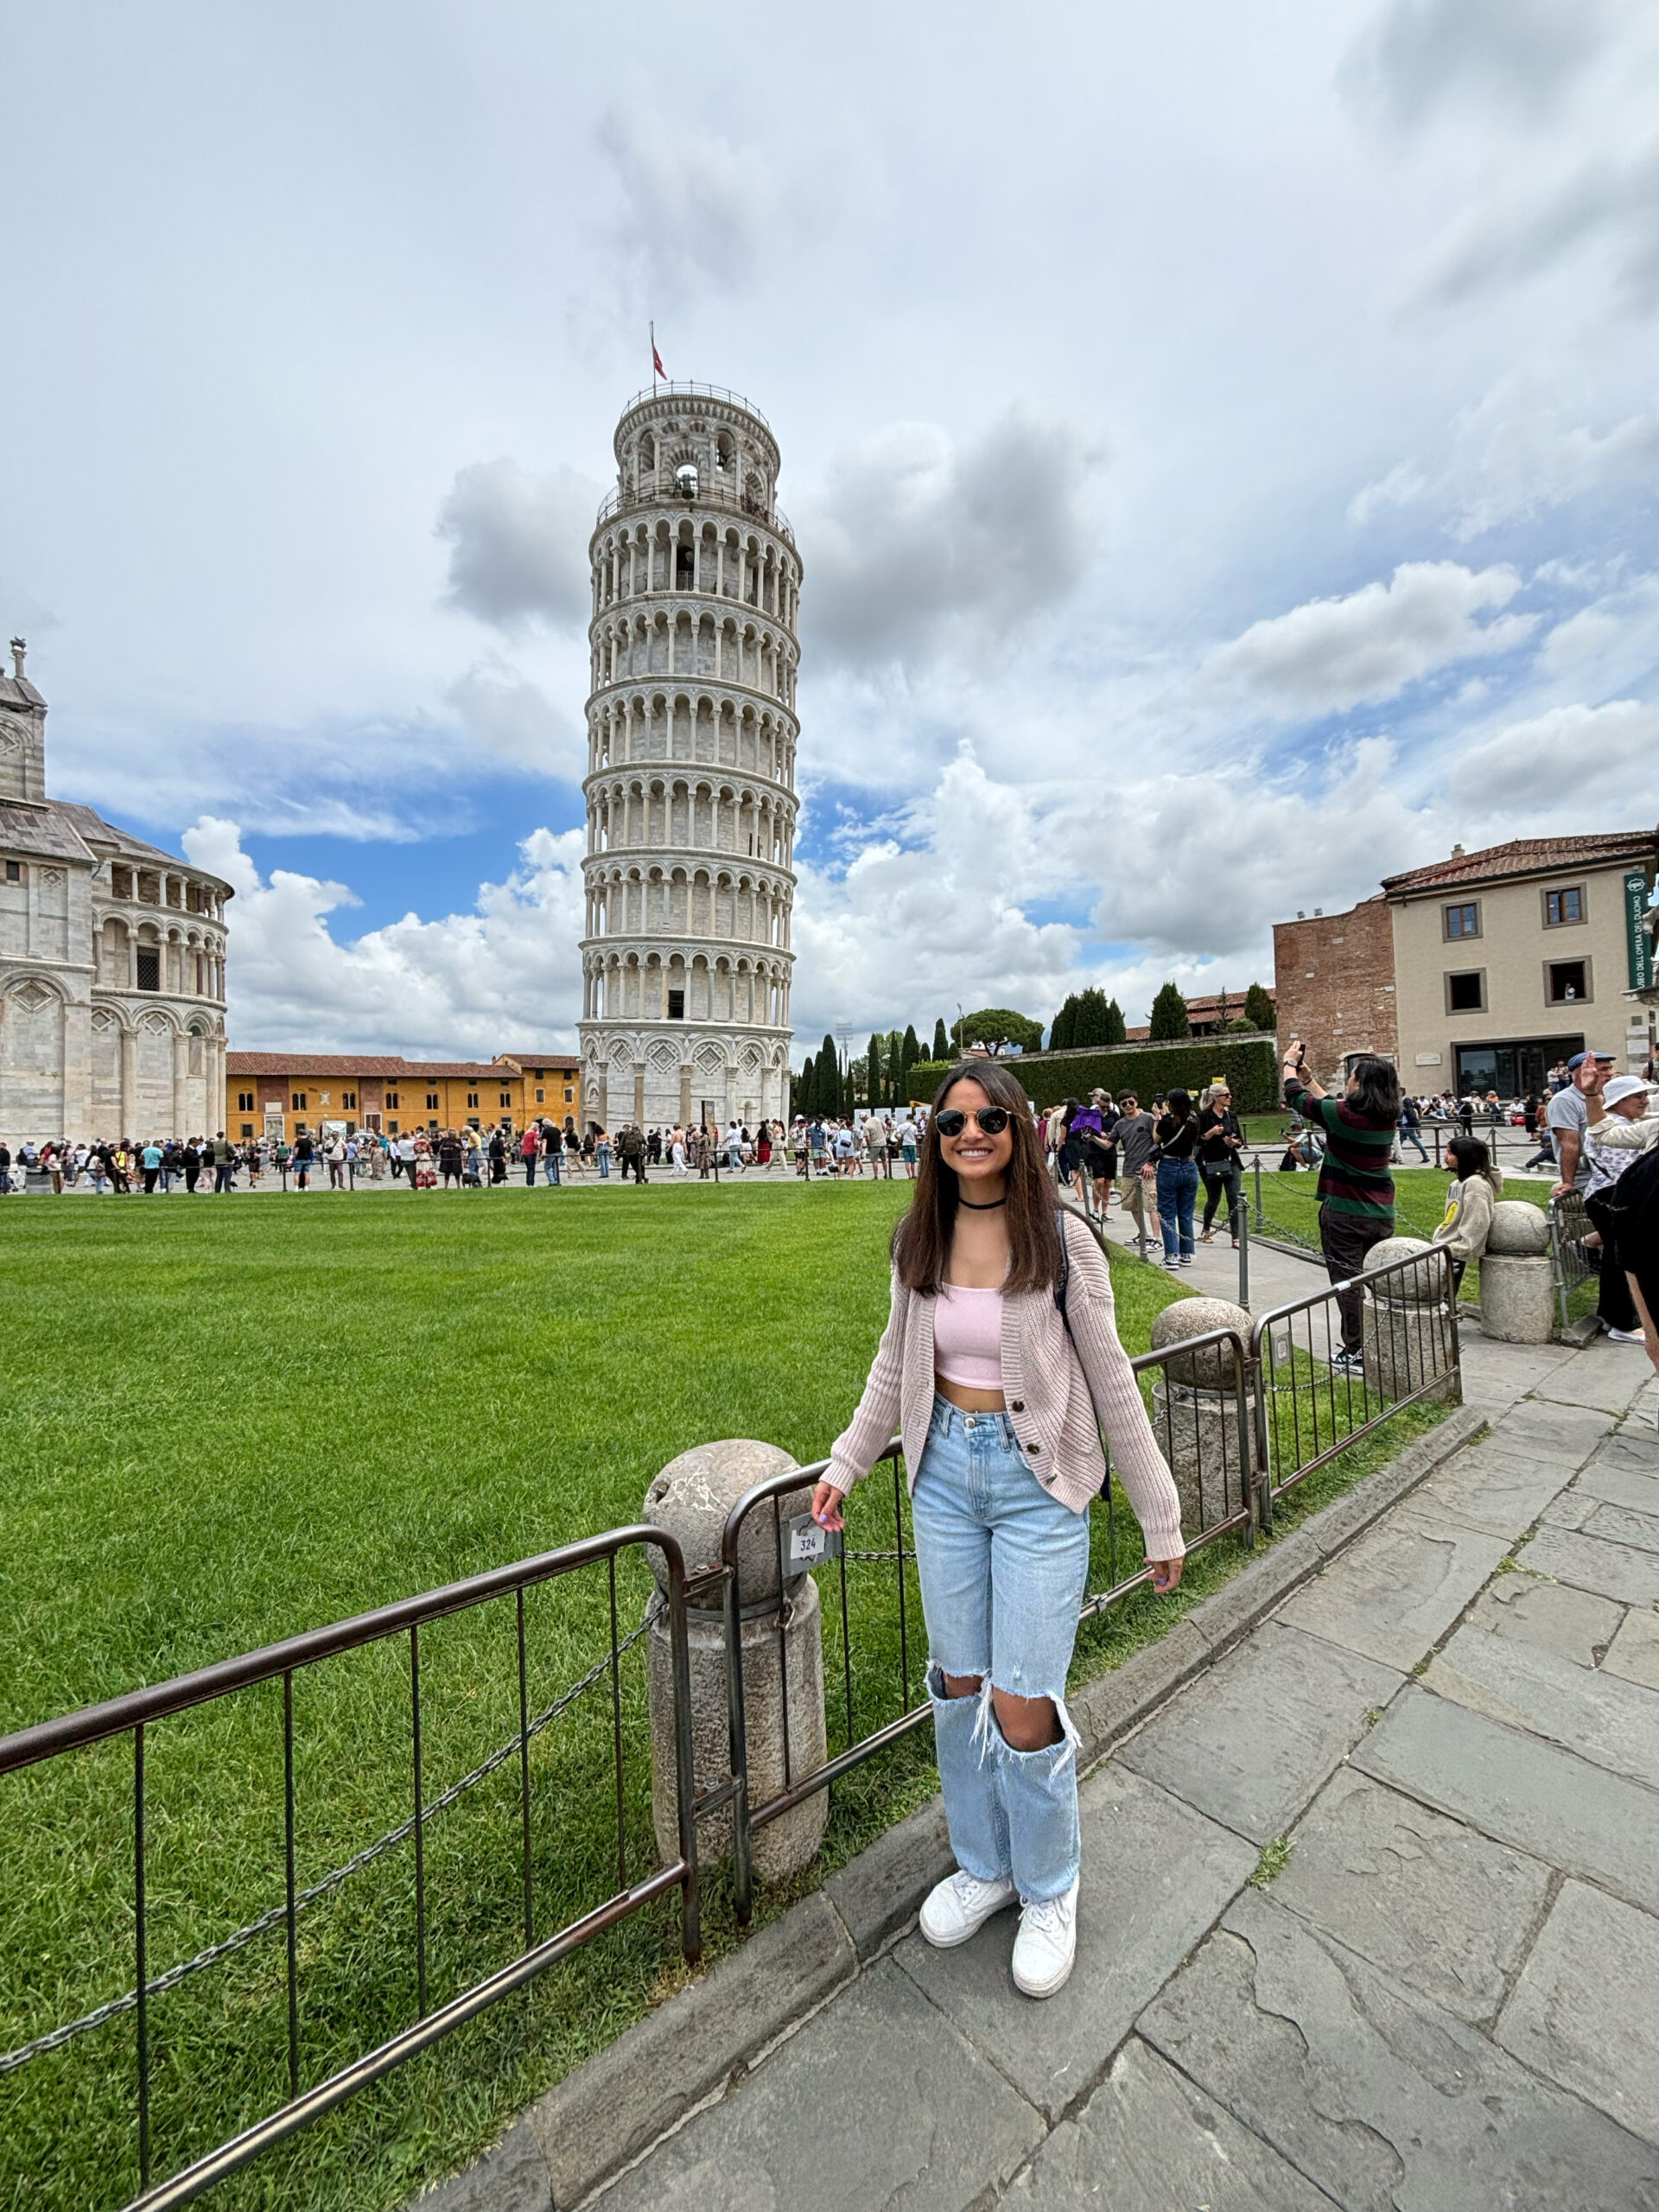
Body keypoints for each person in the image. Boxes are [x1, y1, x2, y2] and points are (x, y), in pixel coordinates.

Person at [809, 1059, 1185, 1999]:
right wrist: (847, 1461)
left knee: (1021, 1703)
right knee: (958, 1685)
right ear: (932, 1140)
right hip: (942, 1480)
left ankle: (1050, 1882)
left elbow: (1111, 1382)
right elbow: (894, 1367)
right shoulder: (919, 1238)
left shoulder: (1061, 1240)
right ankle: (986, 1863)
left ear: (1019, 1127)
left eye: (987, 1118)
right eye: (950, 1123)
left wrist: (1160, 1517)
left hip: (1037, 1487)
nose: (969, 1134)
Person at [1281, 1039, 1402, 1376]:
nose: (1347, 1081)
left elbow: (1297, 1099)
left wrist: (1290, 1065)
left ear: (1361, 1085)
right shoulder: (1384, 1116)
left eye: (1351, 1077)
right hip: (1381, 1213)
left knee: (1348, 1284)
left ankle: (1357, 1351)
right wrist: (1309, 1078)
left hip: (1346, 1214)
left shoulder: (1345, 1116)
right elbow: (1330, 1105)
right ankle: (1380, 1342)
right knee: (1376, 1279)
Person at [1582, 1075, 1659, 1343]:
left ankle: (1617, 1318)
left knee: (1620, 1258)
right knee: (1622, 1259)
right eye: (1636, 1096)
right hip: (1614, 1198)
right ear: (1619, 1101)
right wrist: (1592, 1095)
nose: (1644, 1100)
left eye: (1644, 1095)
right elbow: (1622, 1173)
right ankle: (1622, 1321)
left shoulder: (1635, 1123)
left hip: (1619, 1199)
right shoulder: (1625, 1126)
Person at [1430, 1135, 1505, 1294]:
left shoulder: (1475, 1185)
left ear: (1464, 1157)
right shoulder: (1458, 1183)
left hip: (1454, 1250)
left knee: (1444, 1294)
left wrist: (1461, 1247)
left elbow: (1477, 1220)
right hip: (1446, 1244)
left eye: (1450, 1153)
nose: (1445, 1157)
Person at [1548, 1051, 1617, 1198]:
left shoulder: (1609, 1097)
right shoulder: (1565, 1101)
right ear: (1582, 1073)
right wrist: (1568, 1183)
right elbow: (1569, 1144)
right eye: (1604, 1069)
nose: (1610, 1073)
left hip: (1616, 1172)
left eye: (1610, 1068)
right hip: (1589, 1177)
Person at [1149, 1087, 1201, 1268]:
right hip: (1189, 1165)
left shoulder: (1167, 1122)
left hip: (1169, 1166)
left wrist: (1157, 1116)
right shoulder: (1194, 1121)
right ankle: (1187, 1252)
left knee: (1167, 1212)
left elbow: (1156, 1139)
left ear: (1170, 1104)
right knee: (1186, 1213)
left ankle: (1171, 1255)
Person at [1196, 1082, 1244, 1247]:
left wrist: (1233, 1142)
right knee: (1214, 1198)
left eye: (1229, 1094)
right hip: (1210, 1162)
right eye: (1226, 1095)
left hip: (1230, 1161)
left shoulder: (1231, 1116)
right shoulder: (1203, 1116)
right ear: (1216, 1098)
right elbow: (1196, 1140)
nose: (1230, 1098)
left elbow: (1240, 1140)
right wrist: (1210, 1134)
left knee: (1234, 1198)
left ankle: (1236, 1236)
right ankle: (1206, 1230)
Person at [1115, 1091, 1159, 1251]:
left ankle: (1156, 1237)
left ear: (1136, 1102)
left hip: (1147, 1169)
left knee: (1152, 1204)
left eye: (1130, 1102)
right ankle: (1143, 1234)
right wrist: (1094, 1137)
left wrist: (1150, 1163)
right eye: (1124, 1104)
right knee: (1131, 1204)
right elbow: (1108, 1143)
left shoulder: (1148, 1118)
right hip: (1129, 1168)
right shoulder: (1120, 1124)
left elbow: (1157, 1142)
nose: (1128, 1106)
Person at [1396, 1091, 1429, 1163]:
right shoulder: (1406, 1108)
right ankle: (1395, 1156)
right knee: (1399, 1142)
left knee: (1415, 1141)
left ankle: (1426, 1156)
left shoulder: (1407, 1108)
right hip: (1403, 1126)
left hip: (1407, 1126)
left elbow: (1411, 1117)